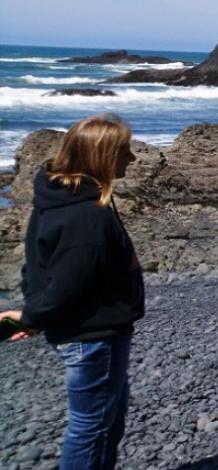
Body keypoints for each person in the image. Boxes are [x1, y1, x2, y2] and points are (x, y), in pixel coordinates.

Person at [1, 114, 144, 469]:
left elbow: (36, 264)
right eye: (124, 151)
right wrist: (33, 315)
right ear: (103, 156)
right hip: (94, 335)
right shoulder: (88, 214)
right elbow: (68, 281)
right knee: (92, 427)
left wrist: (34, 313)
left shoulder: (59, 198)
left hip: (84, 332)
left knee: (104, 422)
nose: (133, 158)